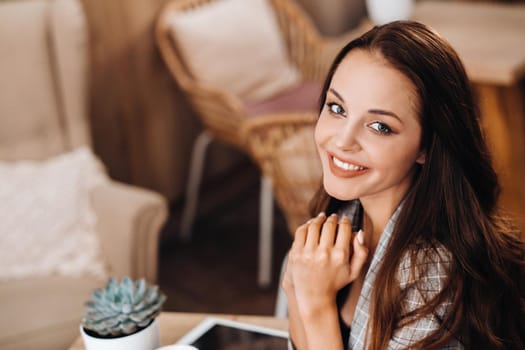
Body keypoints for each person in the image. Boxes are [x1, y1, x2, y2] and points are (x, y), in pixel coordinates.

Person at [282, 20, 525, 350]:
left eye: (379, 126)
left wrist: (315, 304)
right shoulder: (344, 220)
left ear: (427, 146)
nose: (342, 140)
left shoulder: (435, 276)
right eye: (336, 108)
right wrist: (301, 290)